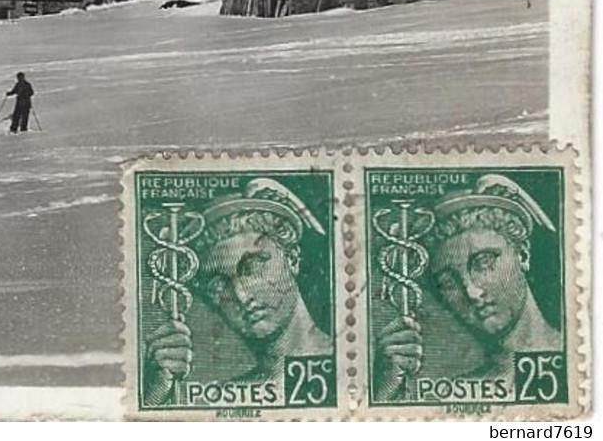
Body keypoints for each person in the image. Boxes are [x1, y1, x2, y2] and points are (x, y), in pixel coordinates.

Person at [144, 178, 333, 407]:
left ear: (292, 259)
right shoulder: (223, 400)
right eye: (219, 284)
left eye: (252, 267)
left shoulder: (350, 365)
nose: (241, 297)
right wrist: (157, 391)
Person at [374, 174, 563, 402]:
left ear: (522, 254)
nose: (471, 292)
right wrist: (386, 387)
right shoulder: (449, 395)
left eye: (483, 262)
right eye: (448, 282)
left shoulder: (585, 360)